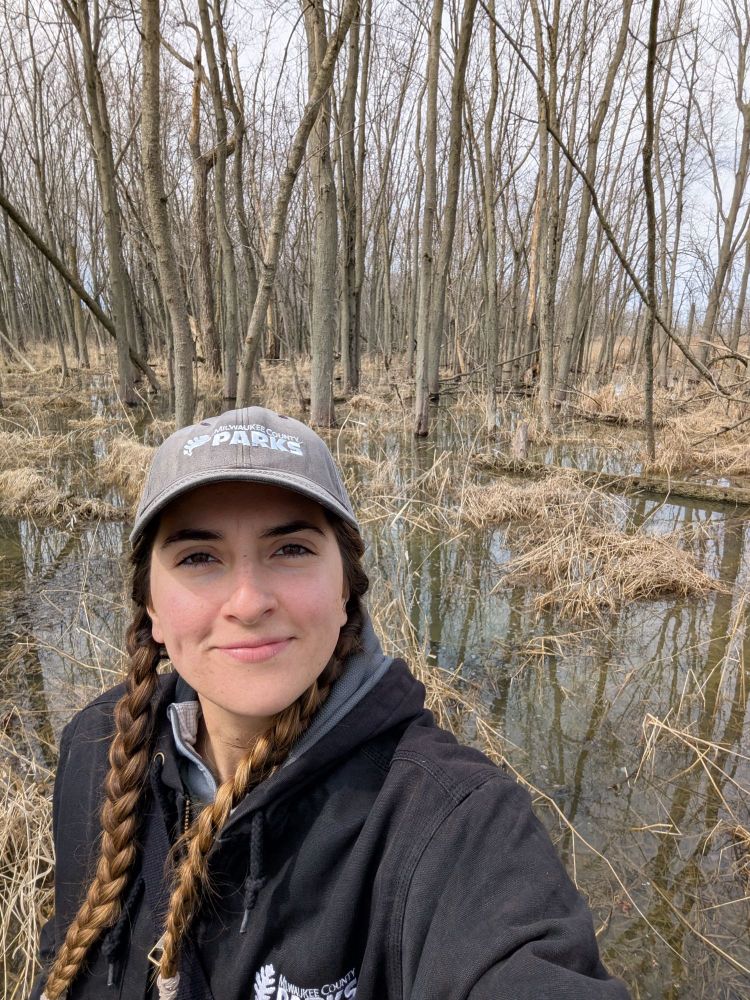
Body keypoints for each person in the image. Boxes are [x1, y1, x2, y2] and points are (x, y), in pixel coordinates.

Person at [33, 407, 631, 1000]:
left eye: (290, 549)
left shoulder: (453, 822)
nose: (248, 601)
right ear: (152, 608)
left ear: (345, 587)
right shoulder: (97, 747)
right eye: (198, 557)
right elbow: (62, 953)